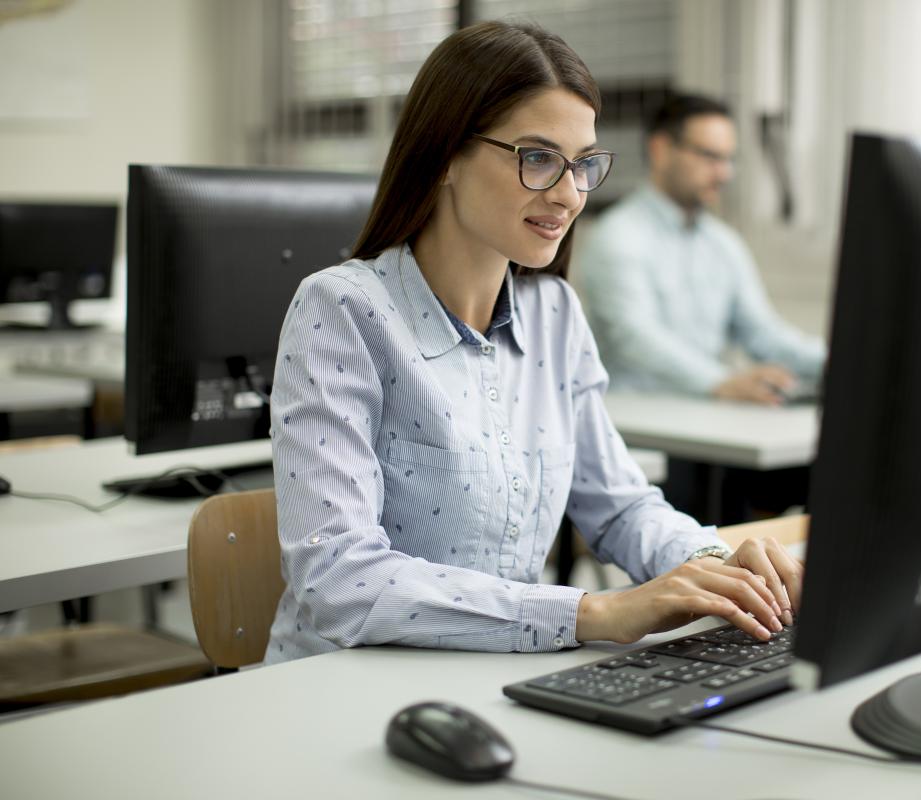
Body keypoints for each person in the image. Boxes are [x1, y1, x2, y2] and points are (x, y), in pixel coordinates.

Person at [264, 22, 802, 664]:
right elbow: (338, 580)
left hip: (488, 678)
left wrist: (715, 566)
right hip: (337, 693)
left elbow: (620, 507)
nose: (570, 194)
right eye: (538, 158)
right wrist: (592, 612)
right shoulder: (343, 309)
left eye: (582, 165)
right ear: (444, 155)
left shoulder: (554, 312)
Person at [575, 94, 826, 406]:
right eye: (710, 157)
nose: (725, 174)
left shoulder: (723, 244)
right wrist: (720, 380)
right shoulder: (617, 236)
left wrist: (838, 361)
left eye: (729, 159)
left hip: (707, 418)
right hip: (641, 427)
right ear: (661, 150)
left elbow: (762, 333)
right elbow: (634, 336)